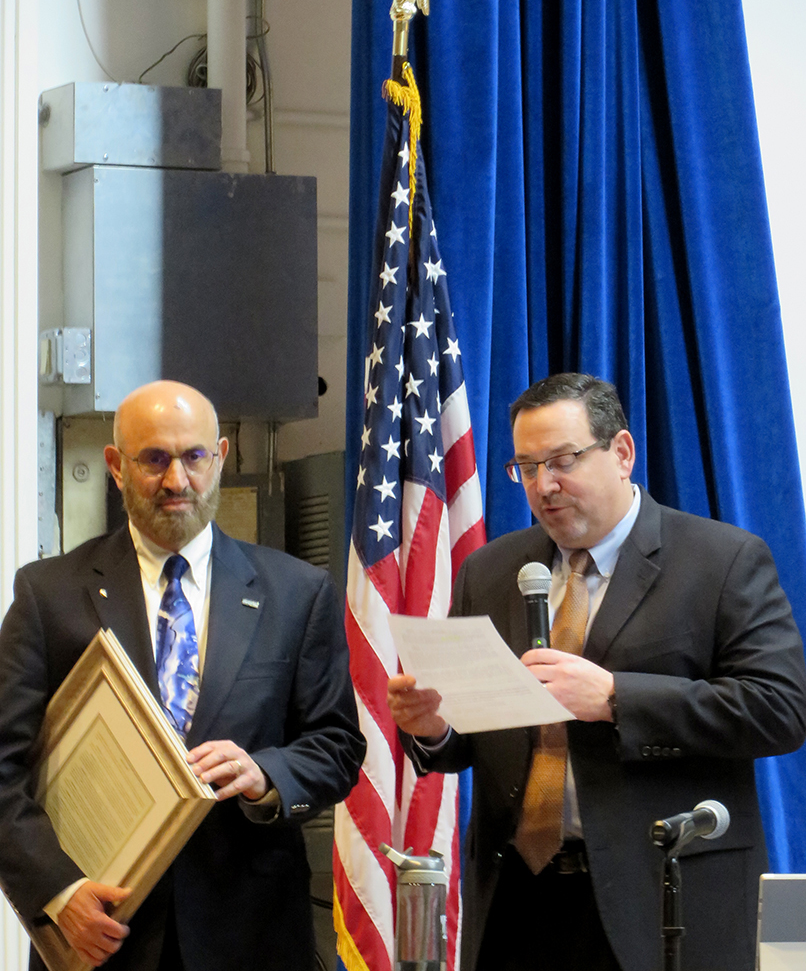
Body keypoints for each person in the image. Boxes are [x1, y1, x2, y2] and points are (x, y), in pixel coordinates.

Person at [388, 372, 806, 971]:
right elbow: (476, 739)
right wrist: (434, 728)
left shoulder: (722, 560)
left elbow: (779, 710)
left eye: (562, 460)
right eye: (526, 468)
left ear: (622, 453)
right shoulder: (491, 570)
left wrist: (616, 698)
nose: (544, 486)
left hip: (663, 899)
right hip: (518, 898)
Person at [0, 380, 365, 971]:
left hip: (253, 940)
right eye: (154, 459)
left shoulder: (298, 594)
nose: (177, 481)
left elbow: (339, 747)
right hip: (102, 939)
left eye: (194, 457)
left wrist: (265, 773)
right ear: (116, 467)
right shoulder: (50, 596)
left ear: (219, 458)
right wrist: (58, 895)